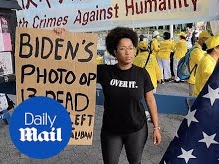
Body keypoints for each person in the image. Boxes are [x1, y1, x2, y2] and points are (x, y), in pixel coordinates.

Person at [54, 27, 161, 164]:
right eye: (123, 48)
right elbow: (74, 66)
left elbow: (150, 100)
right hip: (111, 130)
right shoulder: (104, 71)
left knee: (135, 162)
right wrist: (62, 38)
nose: (128, 52)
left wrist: (156, 128)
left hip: (136, 129)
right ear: (115, 52)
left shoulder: (141, 74)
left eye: (131, 48)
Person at [187, 31, 211, 96]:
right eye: (206, 39)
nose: (207, 41)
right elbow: (203, 63)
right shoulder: (196, 51)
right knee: (194, 101)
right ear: (201, 39)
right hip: (194, 80)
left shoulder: (201, 50)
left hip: (198, 79)